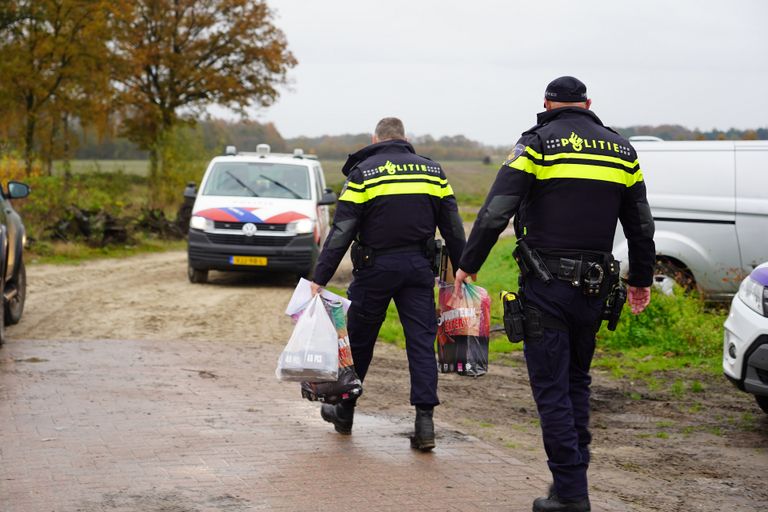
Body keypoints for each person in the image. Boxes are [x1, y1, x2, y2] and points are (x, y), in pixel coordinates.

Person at [453, 77, 655, 512]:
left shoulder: (537, 144)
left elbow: (495, 211)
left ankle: (570, 493)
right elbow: (640, 224)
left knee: (551, 388)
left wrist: (468, 264)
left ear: (546, 104)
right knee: (576, 382)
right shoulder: (622, 151)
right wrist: (641, 279)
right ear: (588, 104)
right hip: (596, 291)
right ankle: (571, 482)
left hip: (548, 287)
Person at [309, 117, 466, 451]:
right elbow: (452, 225)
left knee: (360, 342)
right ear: (405, 139)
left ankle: (345, 412)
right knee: (421, 343)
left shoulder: (363, 173)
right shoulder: (432, 172)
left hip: (374, 269)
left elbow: (341, 232)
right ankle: (425, 424)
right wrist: (466, 266)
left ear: (375, 138)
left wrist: (319, 278)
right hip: (418, 270)